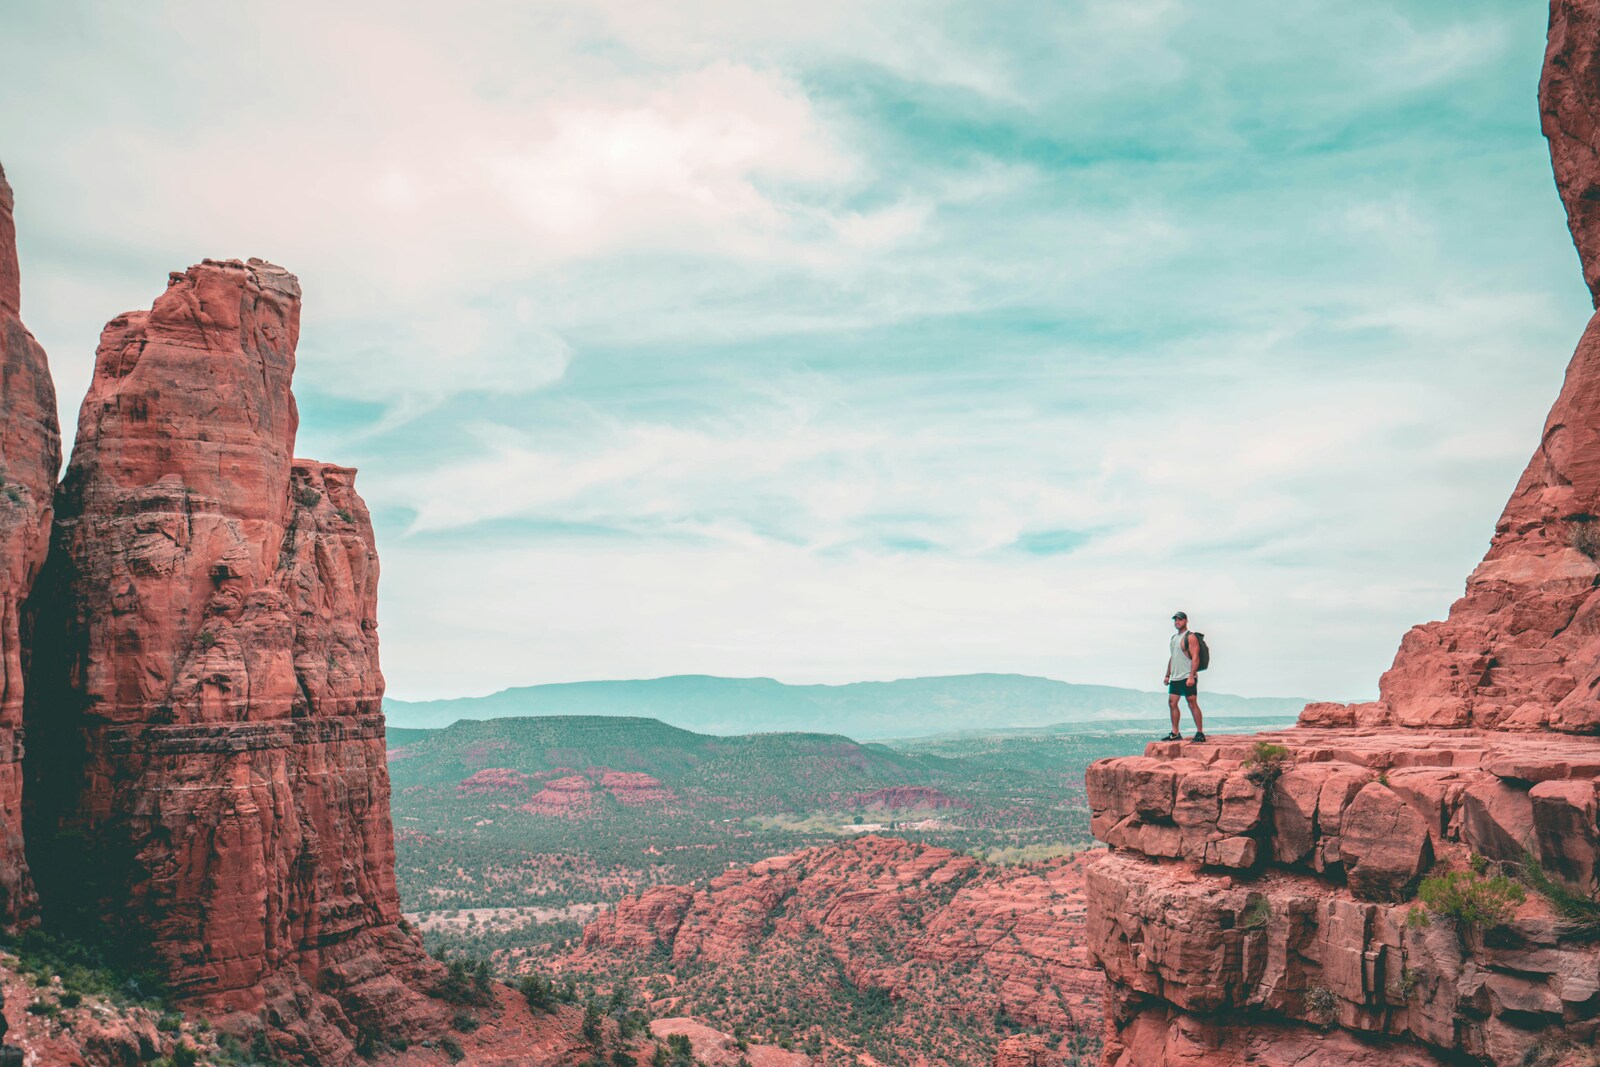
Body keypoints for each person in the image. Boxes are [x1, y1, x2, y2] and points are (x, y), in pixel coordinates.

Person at [1162, 611, 1205, 742]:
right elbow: (1173, 657)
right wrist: (1167, 674)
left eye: (1180, 620)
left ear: (1186, 621)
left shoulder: (1190, 637)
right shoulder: (1174, 638)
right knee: (1172, 703)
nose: (1177, 622)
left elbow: (1196, 657)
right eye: (1175, 620)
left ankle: (1200, 733)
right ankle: (1175, 733)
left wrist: (1192, 676)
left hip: (1187, 676)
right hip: (1175, 677)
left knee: (1192, 703)